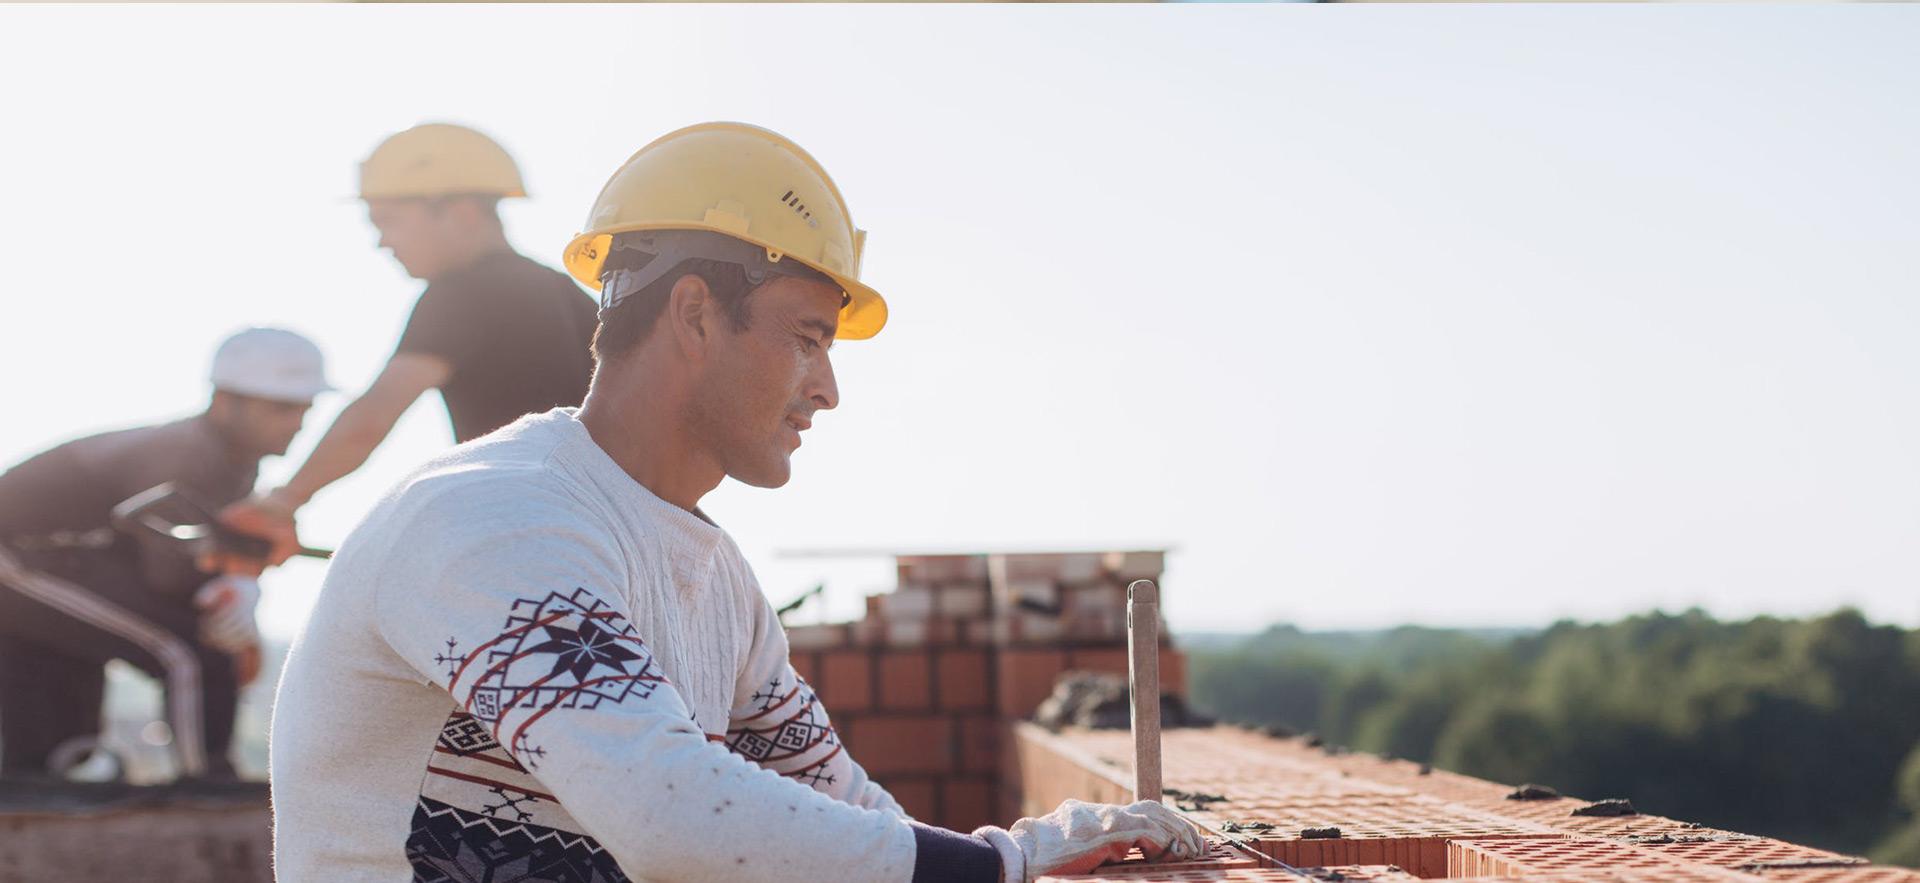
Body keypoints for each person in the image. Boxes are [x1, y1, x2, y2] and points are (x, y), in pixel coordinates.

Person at [269, 122, 1201, 882]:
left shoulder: (718, 582)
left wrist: (1034, 856)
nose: (827, 387)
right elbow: (673, 813)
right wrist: (1001, 866)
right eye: (806, 337)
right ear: (694, 313)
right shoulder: (493, 518)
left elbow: (840, 816)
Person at [221, 123, 599, 567]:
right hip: (626, 532)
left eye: (389, 221)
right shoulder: (568, 294)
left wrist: (281, 503)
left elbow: (373, 415)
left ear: (461, 212)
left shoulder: (462, 291)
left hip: (541, 538)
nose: (383, 241)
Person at [0, 328, 328, 780]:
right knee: (188, 654)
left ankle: (50, 780)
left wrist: (234, 594)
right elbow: (169, 575)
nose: (297, 422)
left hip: (67, 563)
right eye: (282, 408)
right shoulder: (182, 454)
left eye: (304, 410)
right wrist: (231, 603)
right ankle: (209, 789)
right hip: (19, 561)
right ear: (225, 401)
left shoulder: (235, 462)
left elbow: (184, 564)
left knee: (54, 746)